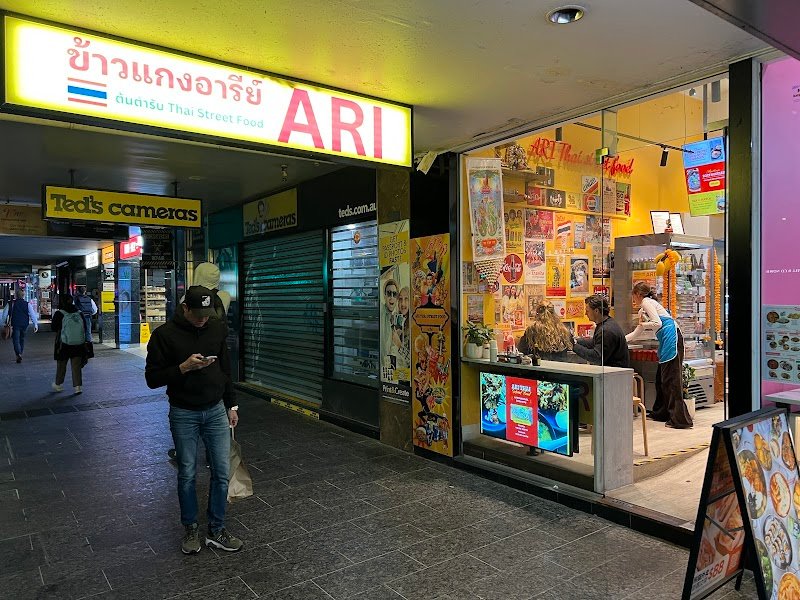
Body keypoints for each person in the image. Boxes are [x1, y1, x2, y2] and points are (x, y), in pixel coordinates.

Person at [145, 285, 242, 554]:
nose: (202, 319)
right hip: (183, 412)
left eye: (207, 314)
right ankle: (190, 528)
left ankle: (217, 529)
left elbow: (225, 369)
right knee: (187, 473)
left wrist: (231, 405)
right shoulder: (164, 335)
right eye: (198, 314)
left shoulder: (216, 328)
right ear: (185, 308)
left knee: (221, 472)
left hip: (216, 410)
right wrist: (183, 368)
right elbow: (152, 379)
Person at [626, 282, 692, 429]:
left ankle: (680, 420)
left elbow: (657, 323)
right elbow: (637, 333)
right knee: (661, 380)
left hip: (671, 339)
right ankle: (662, 413)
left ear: (638, 294)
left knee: (671, 381)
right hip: (666, 340)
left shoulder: (647, 302)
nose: (633, 299)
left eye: (633, 296)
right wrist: (621, 339)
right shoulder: (644, 308)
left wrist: (644, 325)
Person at [572, 295, 630, 368]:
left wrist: (574, 346)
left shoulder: (606, 330)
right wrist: (576, 341)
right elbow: (595, 342)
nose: (585, 314)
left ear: (596, 311)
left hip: (614, 372)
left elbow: (597, 357)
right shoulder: (607, 323)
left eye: (587, 311)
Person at [51, 295, 91, 394]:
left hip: (63, 344)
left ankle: (58, 384)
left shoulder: (59, 313)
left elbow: (53, 328)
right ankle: (78, 387)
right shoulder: (79, 313)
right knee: (76, 365)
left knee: (61, 364)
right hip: (78, 343)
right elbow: (85, 327)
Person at [0, 288, 38, 363]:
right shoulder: (27, 304)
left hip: (15, 324)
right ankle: (20, 353)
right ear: (23, 296)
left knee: (16, 339)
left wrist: (3, 323)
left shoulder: (10, 303)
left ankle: (18, 353)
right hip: (24, 324)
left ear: (16, 296)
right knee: (22, 339)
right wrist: (35, 324)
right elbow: (32, 314)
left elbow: (4, 314)